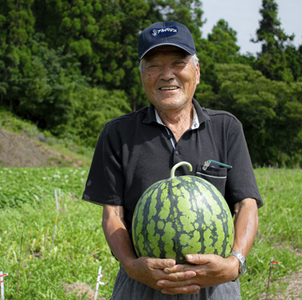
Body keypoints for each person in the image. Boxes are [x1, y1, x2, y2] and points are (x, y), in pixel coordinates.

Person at [82, 21, 263, 299]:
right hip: (142, 282)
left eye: (178, 63)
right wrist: (131, 265)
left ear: (197, 71)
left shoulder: (226, 127)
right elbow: (112, 214)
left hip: (214, 283)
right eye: (153, 65)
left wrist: (234, 262)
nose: (167, 75)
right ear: (142, 75)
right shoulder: (118, 133)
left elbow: (246, 204)